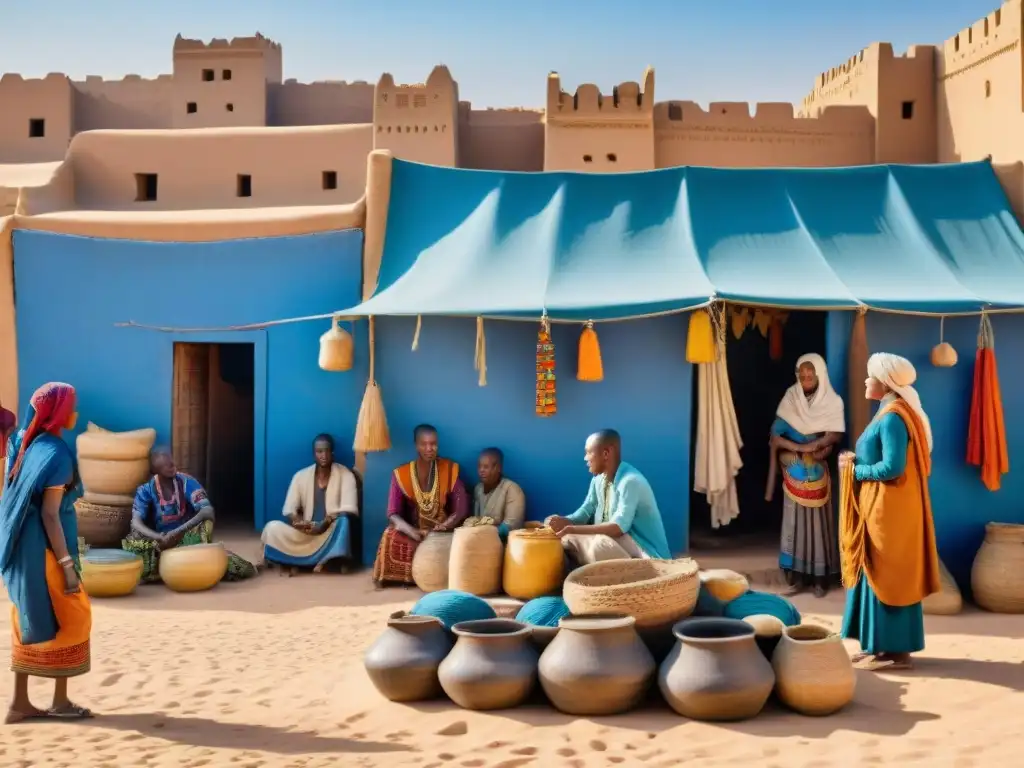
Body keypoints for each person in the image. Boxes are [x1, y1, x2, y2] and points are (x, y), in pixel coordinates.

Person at [838, 353, 940, 672]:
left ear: (884, 382)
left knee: (887, 575)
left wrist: (855, 471)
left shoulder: (894, 417)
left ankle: (894, 652)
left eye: (870, 376)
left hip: (889, 511)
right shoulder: (889, 411)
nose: (866, 381)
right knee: (876, 573)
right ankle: (877, 647)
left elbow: (892, 467)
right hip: (882, 507)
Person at [0, 382, 92, 722]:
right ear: (57, 412)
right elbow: (50, 514)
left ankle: (19, 702)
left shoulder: (21, 443)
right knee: (72, 616)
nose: (74, 413)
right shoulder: (56, 455)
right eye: (71, 407)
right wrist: (67, 566)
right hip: (45, 550)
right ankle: (60, 701)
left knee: (27, 617)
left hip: (19, 549)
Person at [769, 353, 845, 598]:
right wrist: (799, 449)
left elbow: (835, 434)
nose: (805, 378)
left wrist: (822, 445)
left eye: (810, 374)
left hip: (818, 471)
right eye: (801, 375)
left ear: (819, 374)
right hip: (794, 470)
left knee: (818, 524)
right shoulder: (790, 398)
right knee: (794, 523)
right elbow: (775, 434)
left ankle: (820, 579)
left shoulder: (832, 402)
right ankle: (797, 578)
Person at [122, 447, 258, 583]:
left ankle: (187, 564)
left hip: (187, 538)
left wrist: (177, 532)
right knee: (134, 536)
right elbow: (136, 521)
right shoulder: (146, 490)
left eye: (172, 462)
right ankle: (159, 570)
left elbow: (207, 510)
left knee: (207, 523)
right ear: (155, 471)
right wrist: (159, 537)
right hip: (160, 541)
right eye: (165, 465)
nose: (171, 466)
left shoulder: (186, 482)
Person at [546, 430, 671, 564]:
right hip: (617, 544)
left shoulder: (630, 482)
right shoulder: (598, 480)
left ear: (606, 453)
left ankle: (635, 575)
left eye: (589, 452)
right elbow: (585, 511)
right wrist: (564, 521)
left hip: (646, 554)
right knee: (566, 539)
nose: (585, 458)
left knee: (599, 546)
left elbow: (618, 528)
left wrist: (572, 529)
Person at [372, 424, 470, 587]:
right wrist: (412, 531)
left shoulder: (449, 469)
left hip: (444, 534)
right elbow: (392, 513)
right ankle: (406, 575)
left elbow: (461, 510)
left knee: (462, 541)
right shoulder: (401, 474)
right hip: (416, 534)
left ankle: (428, 573)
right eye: (424, 444)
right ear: (416, 445)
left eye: (433, 444)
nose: (429, 448)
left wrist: (444, 526)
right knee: (389, 535)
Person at [262, 433, 360, 575]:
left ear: (332, 453)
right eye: (319, 451)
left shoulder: (345, 474)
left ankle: (327, 560)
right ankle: (305, 561)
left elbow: (349, 508)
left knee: (343, 522)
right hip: (307, 533)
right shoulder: (300, 476)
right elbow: (289, 509)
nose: (323, 455)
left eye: (327, 451)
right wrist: (299, 522)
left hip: (330, 533)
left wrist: (326, 522)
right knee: (272, 527)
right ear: (314, 454)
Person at [472, 447, 526, 540]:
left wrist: (485, 534)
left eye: (486, 467)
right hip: (479, 541)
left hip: (505, 545)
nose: (481, 470)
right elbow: (475, 519)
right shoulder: (478, 489)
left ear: (498, 468)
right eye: (479, 466)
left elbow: (512, 525)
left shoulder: (512, 490)